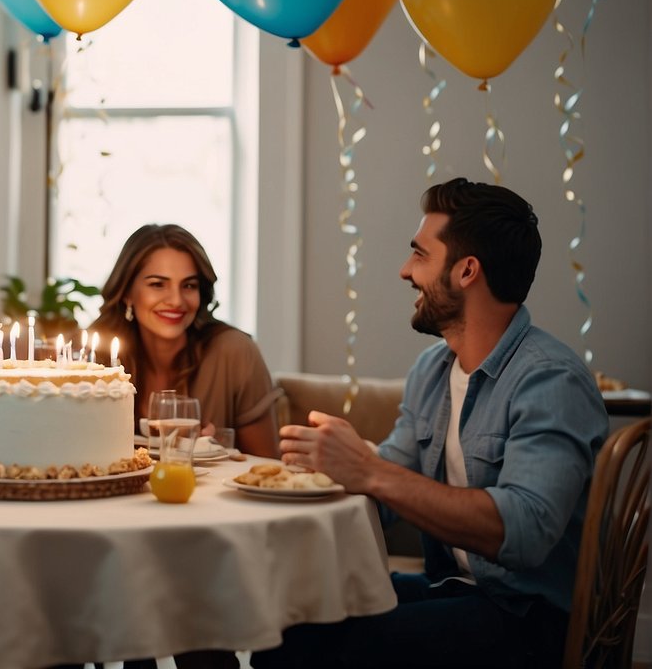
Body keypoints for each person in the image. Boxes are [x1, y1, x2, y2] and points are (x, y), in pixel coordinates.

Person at [252, 178, 609, 668]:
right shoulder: (432, 370)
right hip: (456, 589)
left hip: (532, 617)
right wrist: (322, 473)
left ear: (466, 271)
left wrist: (370, 471)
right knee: (292, 620)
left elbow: (524, 532)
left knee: (328, 650)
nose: (405, 271)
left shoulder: (550, 380)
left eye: (419, 254)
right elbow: (392, 483)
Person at [92, 223, 279, 457]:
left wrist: (217, 444)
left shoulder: (235, 353)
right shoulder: (94, 357)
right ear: (127, 292)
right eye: (158, 284)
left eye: (189, 285)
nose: (176, 300)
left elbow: (269, 468)